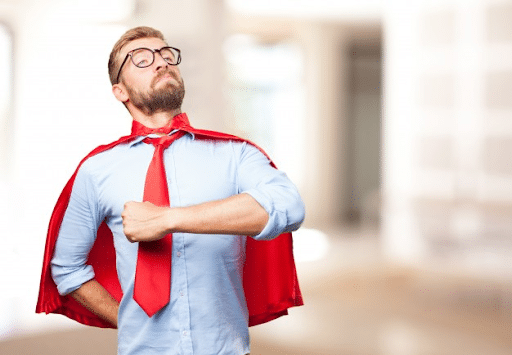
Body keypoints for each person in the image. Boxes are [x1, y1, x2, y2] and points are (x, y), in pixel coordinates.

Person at [36, 26, 305, 355]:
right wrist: (129, 320)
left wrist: (168, 219)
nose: (161, 62)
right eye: (141, 59)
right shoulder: (96, 170)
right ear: (120, 91)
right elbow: (66, 268)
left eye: (166, 55)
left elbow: (288, 205)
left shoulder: (235, 155)